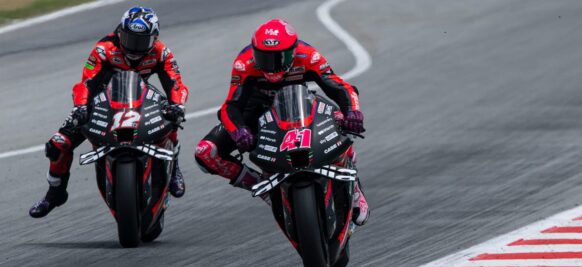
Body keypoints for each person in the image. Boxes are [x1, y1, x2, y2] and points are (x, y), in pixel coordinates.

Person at [195, 18, 369, 225]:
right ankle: (262, 186)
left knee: (340, 118)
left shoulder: (309, 56)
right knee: (206, 152)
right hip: (257, 111)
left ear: (293, 51)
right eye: (264, 57)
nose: (271, 65)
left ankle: (354, 184)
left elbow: (342, 88)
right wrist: (239, 130)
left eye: (279, 57)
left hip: (300, 105)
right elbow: (229, 107)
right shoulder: (244, 63)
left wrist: (353, 112)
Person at [29, 6, 189, 219]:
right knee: (58, 143)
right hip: (102, 102)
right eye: (130, 38)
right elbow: (86, 82)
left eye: (141, 41)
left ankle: (174, 166)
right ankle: (55, 193)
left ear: (154, 39)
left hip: (140, 100)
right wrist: (81, 107)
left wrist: (178, 106)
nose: (134, 47)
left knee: (171, 116)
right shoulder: (104, 49)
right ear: (120, 32)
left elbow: (176, 83)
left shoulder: (162, 52)